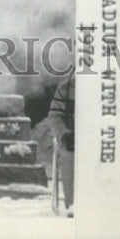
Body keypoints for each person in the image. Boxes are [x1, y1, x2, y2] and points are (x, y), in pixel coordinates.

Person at [48, 67, 75, 217]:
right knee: (68, 153)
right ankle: (73, 203)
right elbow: (54, 116)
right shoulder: (67, 84)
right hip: (73, 140)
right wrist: (64, 134)